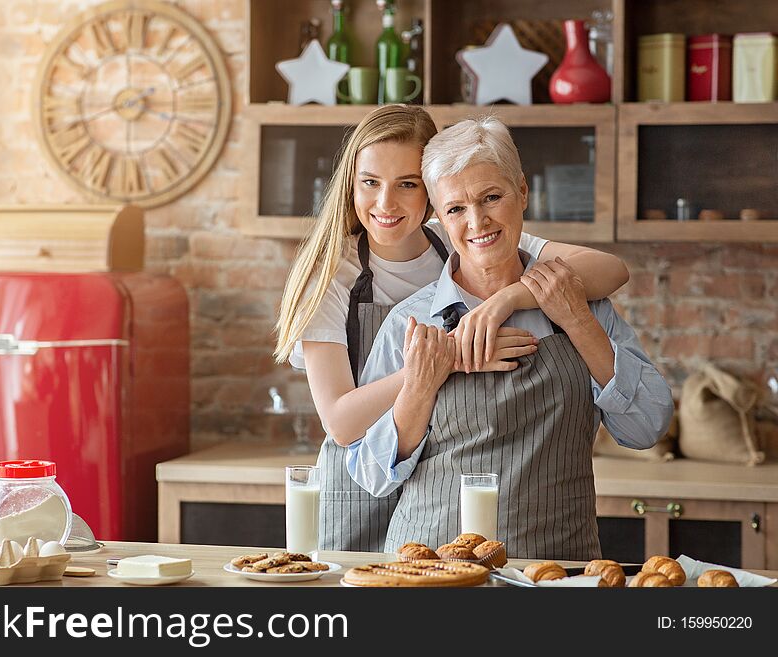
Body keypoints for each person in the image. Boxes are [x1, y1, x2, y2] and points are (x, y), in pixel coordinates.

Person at [274, 105, 630, 553]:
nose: (385, 204)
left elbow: (609, 269)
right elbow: (342, 423)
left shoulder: (464, 238)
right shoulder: (331, 276)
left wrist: (512, 296)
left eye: (407, 184)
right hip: (361, 484)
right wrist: (447, 360)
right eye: (370, 182)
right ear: (350, 184)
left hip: (440, 487)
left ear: (433, 191)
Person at [346, 115, 674, 560]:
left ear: (522, 192)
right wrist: (420, 384)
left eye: (491, 197)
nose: (477, 221)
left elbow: (647, 427)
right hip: (430, 573)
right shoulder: (412, 321)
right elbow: (370, 475)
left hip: (558, 568)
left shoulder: (582, 305)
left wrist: (576, 320)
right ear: (439, 218)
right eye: (456, 209)